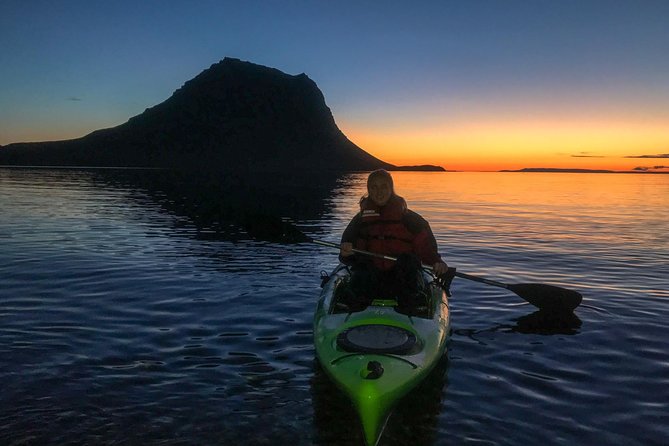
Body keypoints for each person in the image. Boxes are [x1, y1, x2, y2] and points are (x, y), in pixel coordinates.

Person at [339, 169, 449, 311]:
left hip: (401, 277)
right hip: (372, 277)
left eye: (384, 186)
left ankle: (413, 304)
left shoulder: (410, 219)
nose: (379, 192)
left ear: (391, 188)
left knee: (408, 261)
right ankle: (354, 304)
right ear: (368, 189)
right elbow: (346, 254)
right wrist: (346, 253)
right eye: (374, 187)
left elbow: (426, 248)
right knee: (363, 266)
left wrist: (437, 262)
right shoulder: (360, 220)